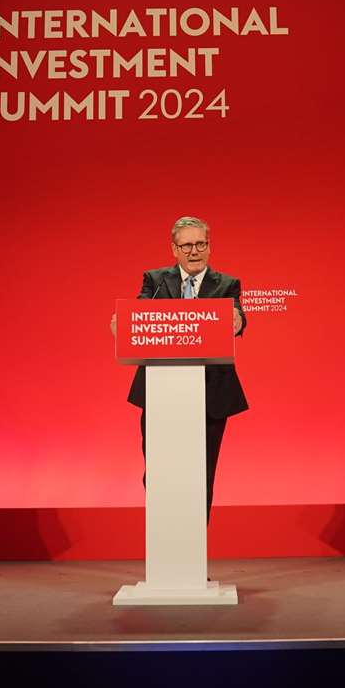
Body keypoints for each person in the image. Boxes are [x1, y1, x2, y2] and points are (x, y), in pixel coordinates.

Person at [122, 216, 247, 514]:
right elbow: (140, 314)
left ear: (209, 247)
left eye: (200, 243)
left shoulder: (227, 284)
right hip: (161, 391)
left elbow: (238, 315)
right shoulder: (155, 281)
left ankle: (195, 543)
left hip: (210, 394)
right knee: (158, 468)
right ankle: (163, 533)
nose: (194, 251)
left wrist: (237, 321)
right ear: (174, 249)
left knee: (202, 472)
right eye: (187, 245)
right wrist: (126, 326)